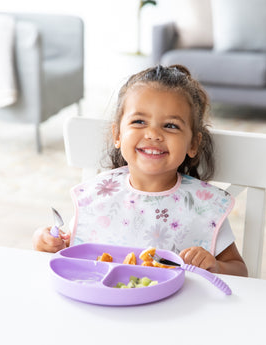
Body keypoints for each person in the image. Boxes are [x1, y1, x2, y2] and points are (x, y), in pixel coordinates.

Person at [33, 64, 248, 277]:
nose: (153, 134)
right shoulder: (99, 195)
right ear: (117, 134)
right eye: (139, 121)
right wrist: (46, 242)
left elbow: (239, 270)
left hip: (179, 309)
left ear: (193, 143)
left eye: (171, 125)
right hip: (105, 305)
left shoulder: (204, 206)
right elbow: (68, 247)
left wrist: (217, 267)